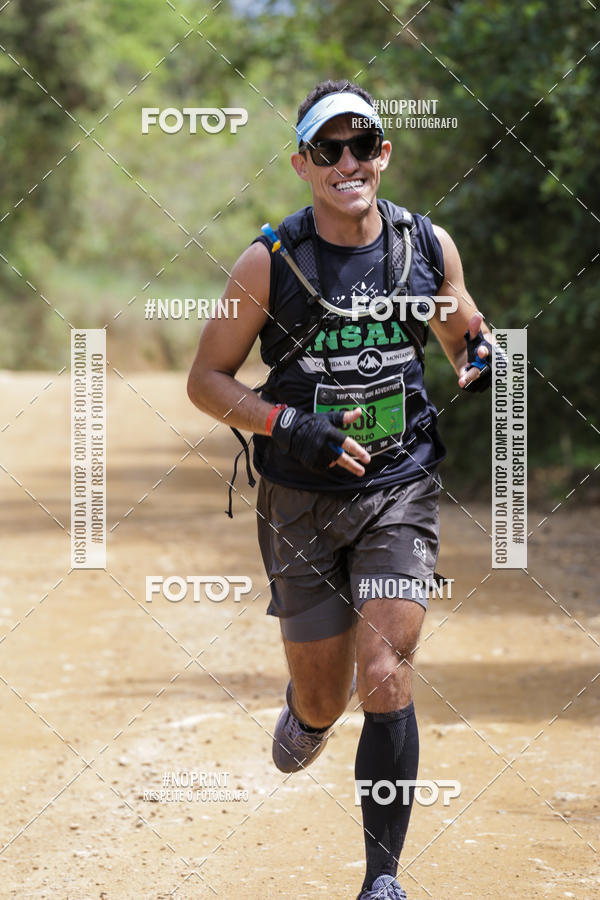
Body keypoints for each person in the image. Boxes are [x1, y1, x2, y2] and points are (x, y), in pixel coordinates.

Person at [187, 79, 495, 900]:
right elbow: (206, 381)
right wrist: (288, 425)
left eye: (364, 144)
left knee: (386, 664)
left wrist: (478, 359)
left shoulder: (425, 246)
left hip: (400, 486)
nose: (349, 161)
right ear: (303, 163)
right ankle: (311, 712)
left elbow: (462, 325)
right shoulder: (270, 262)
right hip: (298, 497)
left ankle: (382, 878)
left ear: (384, 154)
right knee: (327, 696)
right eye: (330, 148)